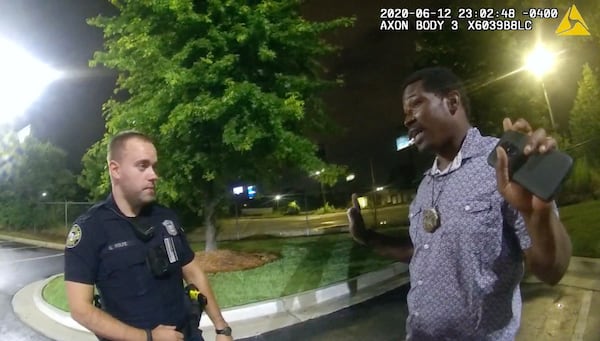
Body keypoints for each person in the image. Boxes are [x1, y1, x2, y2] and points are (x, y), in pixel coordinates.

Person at [347, 67, 572, 340]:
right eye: (404, 112)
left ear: (452, 102)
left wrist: (538, 214)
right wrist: (367, 237)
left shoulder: (503, 165)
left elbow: (552, 270)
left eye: (415, 104)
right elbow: (422, 253)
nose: (407, 120)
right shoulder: (425, 186)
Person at [64, 131, 233, 341]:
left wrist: (221, 327)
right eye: (143, 166)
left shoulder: (166, 218)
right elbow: (80, 309)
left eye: (154, 166)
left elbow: (193, 273)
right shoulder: (90, 229)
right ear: (115, 170)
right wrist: (148, 337)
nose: (154, 175)